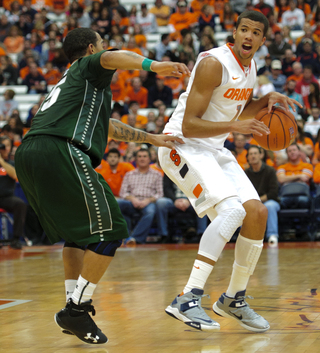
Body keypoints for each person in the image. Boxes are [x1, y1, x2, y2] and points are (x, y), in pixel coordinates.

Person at [14, 27, 189, 344]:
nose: (106, 51)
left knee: (79, 234)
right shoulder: (88, 65)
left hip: (30, 153)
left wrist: (152, 138)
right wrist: (156, 66)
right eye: (103, 46)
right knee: (111, 230)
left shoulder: (75, 88)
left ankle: (73, 305)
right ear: (93, 48)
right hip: (60, 149)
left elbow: (109, 127)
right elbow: (112, 57)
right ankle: (76, 309)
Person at [158, 10, 302, 333]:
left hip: (213, 148)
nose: (248, 37)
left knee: (256, 213)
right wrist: (236, 125)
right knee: (233, 212)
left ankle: (233, 299)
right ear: (234, 33)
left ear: (264, 41)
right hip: (180, 145)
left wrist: (265, 101)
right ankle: (187, 297)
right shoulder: (213, 64)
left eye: (255, 33)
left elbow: (238, 110)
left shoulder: (250, 69)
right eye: (244, 30)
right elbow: (189, 124)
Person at [118, 148, 163, 245]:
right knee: (117, 204)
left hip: (148, 202)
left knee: (150, 211)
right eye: (139, 156)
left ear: (149, 159)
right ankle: (125, 235)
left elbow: (159, 194)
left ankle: (134, 238)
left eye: (145, 156)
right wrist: (132, 199)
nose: (142, 159)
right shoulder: (129, 174)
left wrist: (148, 200)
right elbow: (122, 193)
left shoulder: (157, 174)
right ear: (135, 159)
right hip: (131, 202)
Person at [156, 174, 208, 243]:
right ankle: (164, 235)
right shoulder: (169, 168)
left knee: (203, 202)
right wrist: (175, 200)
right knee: (161, 203)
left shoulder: (195, 170)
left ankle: (201, 235)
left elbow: (201, 188)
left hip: (192, 200)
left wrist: (189, 200)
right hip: (173, 200)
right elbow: (166, 188)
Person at [245, 145, 280, 246]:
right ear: (247, 157)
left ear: (261, 155)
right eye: (250, 154)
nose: (253, 156)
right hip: (252, 201)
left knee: (269, 206)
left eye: (255, 153)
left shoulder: (270, 170)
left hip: (269, 200)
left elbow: (273, 192)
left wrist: (258, 201)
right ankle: (248, 237)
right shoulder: (245, 173)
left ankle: (272, 235)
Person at [0, 136, 27, 250]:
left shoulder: (12, 163)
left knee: (20, 204)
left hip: (6, 198)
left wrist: (1, 161)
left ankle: (16, 239)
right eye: (3, 146)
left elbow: (15, 175)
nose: (5, 148)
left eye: (8, 146)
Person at [276, 143, 313, 209]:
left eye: (294, 150)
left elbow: (305, 179)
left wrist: (287, 178)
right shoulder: (281, 167)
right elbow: (281, 179)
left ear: (299, 152)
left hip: (303, 194)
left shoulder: (308, 166)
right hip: (285, 195)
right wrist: (299, 176)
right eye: (289, 151)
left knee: (303, 200)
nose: (292, 152)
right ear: (287, 154)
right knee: (280, 201)